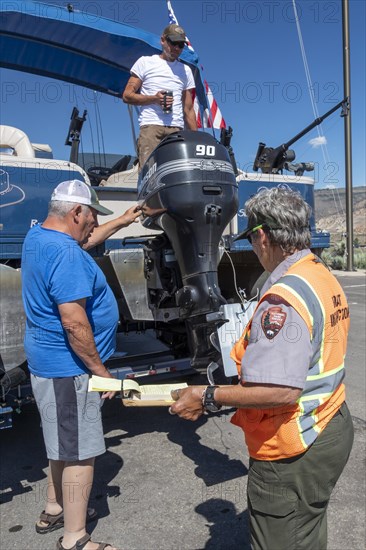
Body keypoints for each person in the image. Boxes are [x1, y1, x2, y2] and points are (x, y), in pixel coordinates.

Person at [170, 187, 354, 550]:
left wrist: (207, 396)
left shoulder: (283, 298)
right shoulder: (320, 273)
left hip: (295, 443)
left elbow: (281, 390)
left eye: (252, 240)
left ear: (263, 236)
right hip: (329, 422)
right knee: (307, 528)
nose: (254, 249)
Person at [21, 179, 141, 550]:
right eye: (91, 217)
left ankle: (56, 506)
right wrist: (101, 373)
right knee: (77, 451)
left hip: (48, 363)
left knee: (61, 440)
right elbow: (74, 323)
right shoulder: (67, 255)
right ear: (75, 213)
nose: (93, 225)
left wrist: (123, 220)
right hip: (70, 368)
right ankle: (74, 538)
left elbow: (84, 240)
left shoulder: (39, 237)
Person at [122, 23, 197, 170]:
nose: (176, 48)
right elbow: (127, 96)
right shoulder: (145, 62)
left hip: (176, 129)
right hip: (151, 127)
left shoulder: (186, 70)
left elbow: (188, 110)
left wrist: (197, 140)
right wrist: (155, 99)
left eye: (181, 45)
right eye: (173, 42)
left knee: (176, 174)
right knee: (149, 175)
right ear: (163, 40)